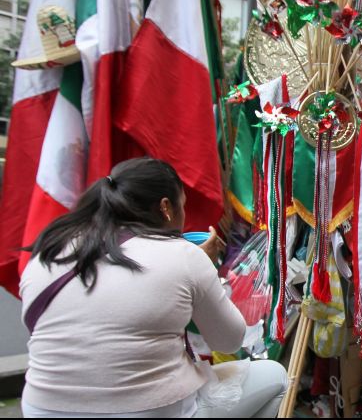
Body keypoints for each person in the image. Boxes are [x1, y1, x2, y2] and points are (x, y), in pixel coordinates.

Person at [20, 157, 287, 418]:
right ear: (165, 207)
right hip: (147, 410)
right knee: (275, 376)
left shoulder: (49, 251)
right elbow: (228, 340)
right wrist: (208, 273)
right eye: (183, 205)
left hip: (41, 408)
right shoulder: (182, 255)